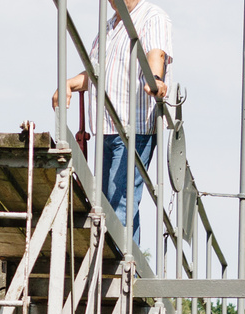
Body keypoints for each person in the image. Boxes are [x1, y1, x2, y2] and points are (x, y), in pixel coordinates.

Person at [57, 0, 173, 243]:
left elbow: (156, 54)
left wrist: (155, 80)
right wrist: (68, 83)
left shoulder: (151, 16)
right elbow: (96, 75)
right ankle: (130, 271)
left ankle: (117, 272)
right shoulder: (109, 27)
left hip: (134, 127)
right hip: (106, 127)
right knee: (110, 202)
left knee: (119, 204)